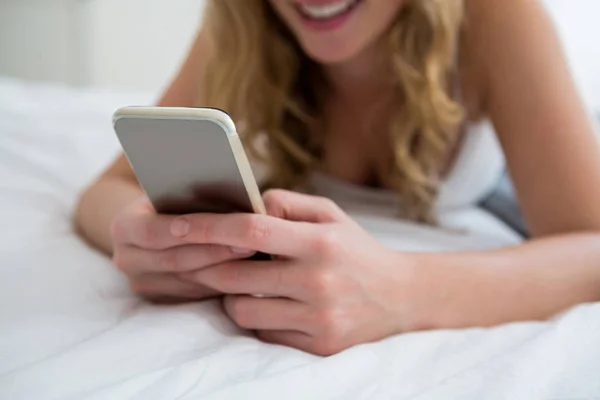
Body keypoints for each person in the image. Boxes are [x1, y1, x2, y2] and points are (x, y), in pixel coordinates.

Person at [76, 0, 600, 356]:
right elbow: (103, 193)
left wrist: (404, 290)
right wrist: (148, 239)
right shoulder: (245, 23)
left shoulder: (495, 16)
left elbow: (591, 247)